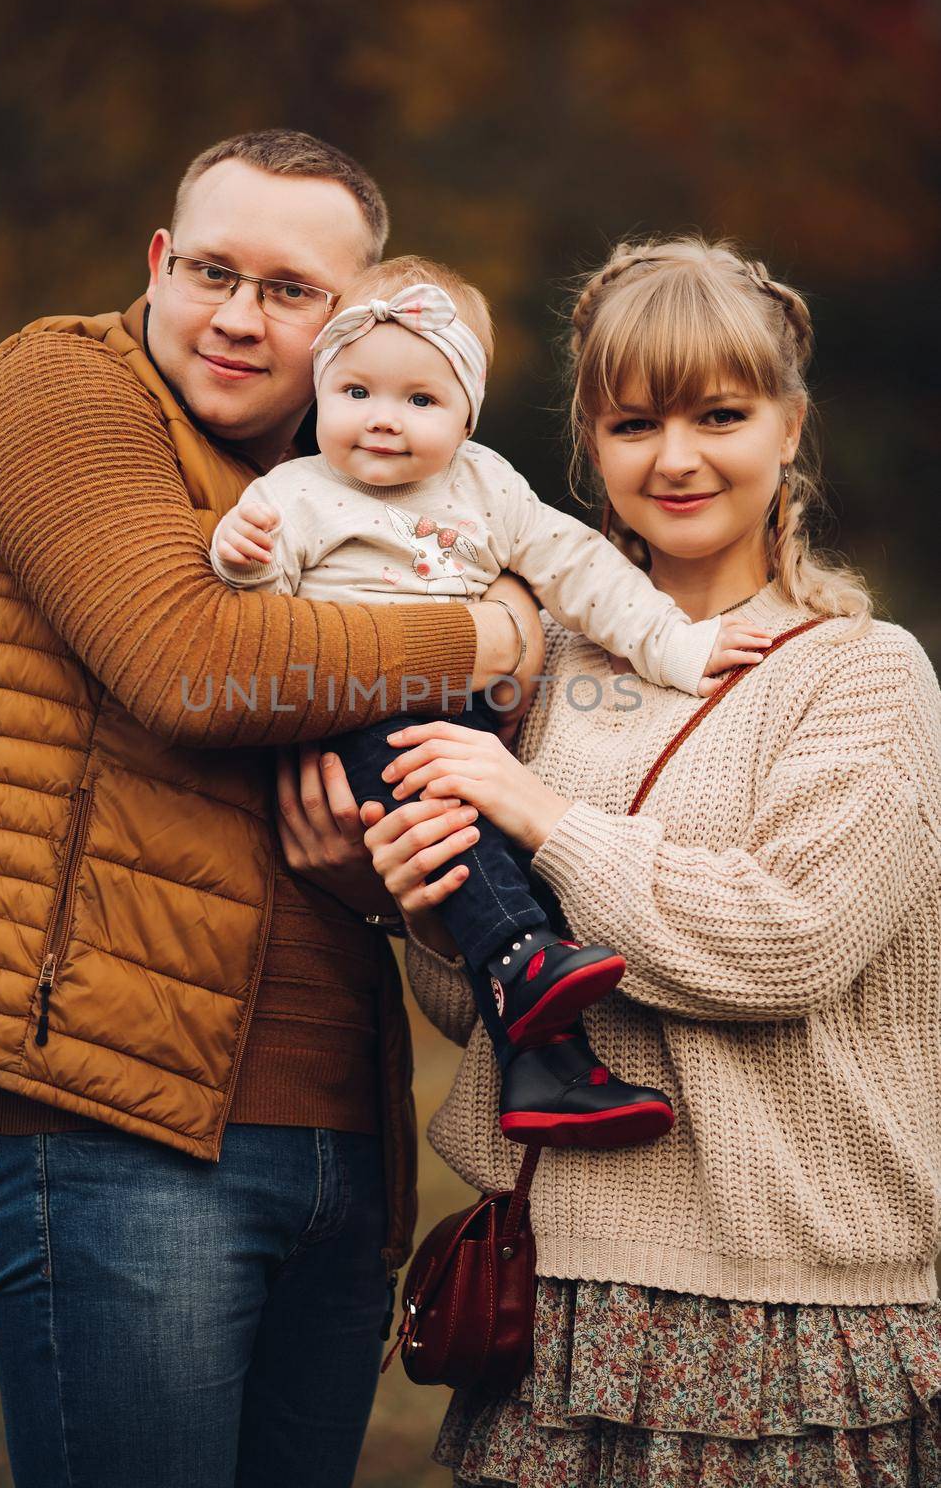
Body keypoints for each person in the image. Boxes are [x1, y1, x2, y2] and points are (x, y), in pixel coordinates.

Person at [0, 128, 540, 1488]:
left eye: (292, 290)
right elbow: (191, 662)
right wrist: (489, 634)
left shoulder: (359, 490)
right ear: (158, 262)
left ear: (356, 317)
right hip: (111, 1119)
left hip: (334, 1122)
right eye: (212, 271)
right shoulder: (60, 389)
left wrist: (364, 879)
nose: (242, 318)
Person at [360, 237, 941, 1482]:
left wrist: (536, 815)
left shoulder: (861, 673)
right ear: (589, 444)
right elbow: (484, 1004)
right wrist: (427, 914)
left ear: (787, 426)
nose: (674, 458)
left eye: (718, 415)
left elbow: (789, 939)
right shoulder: (541, 664)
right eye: (633, 424)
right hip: (557, 1297)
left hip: (781, 1301)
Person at [210, 252, 772, 1148]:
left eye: (420, 401)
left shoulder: (488, 488)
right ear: (321, 393)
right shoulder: (296, 492)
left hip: (459, 718)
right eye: (355, 393)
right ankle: (522, 953)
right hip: (356, 710)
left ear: (467, 412)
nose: (383, 421)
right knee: (459, 817)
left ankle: (550, 1071)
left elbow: (582, 570)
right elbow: (257, 621)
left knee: (495, 839)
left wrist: (678, 646)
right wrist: (240, 555)